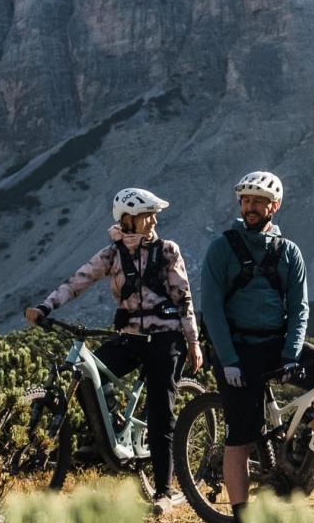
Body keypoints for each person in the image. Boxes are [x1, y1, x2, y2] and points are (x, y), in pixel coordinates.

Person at [26, 187, 202, 515]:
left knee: (162, 416)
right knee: (88, 373)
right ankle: (107, 432)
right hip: (129, 338)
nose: (152, 221)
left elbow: (184, 298)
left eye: (153, 215)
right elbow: (78, 281)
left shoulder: (167, 251)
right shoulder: (112, 254)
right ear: (126, 219)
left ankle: (163, 492)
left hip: (165, 340)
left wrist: (192, 341)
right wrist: (46, 306)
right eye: (145, 215)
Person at [197, 171, 314, 518]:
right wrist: (229, 360)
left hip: (276, 344)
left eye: (258, 201)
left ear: (274, 207)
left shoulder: (289, 252)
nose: (250, 207)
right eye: (246, 201)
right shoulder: (221, 249)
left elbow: (299, 308)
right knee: (240, 437)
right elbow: (213, 311)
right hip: (237, 349)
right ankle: (241, 514)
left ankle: (306, 447)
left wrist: (292, 354)